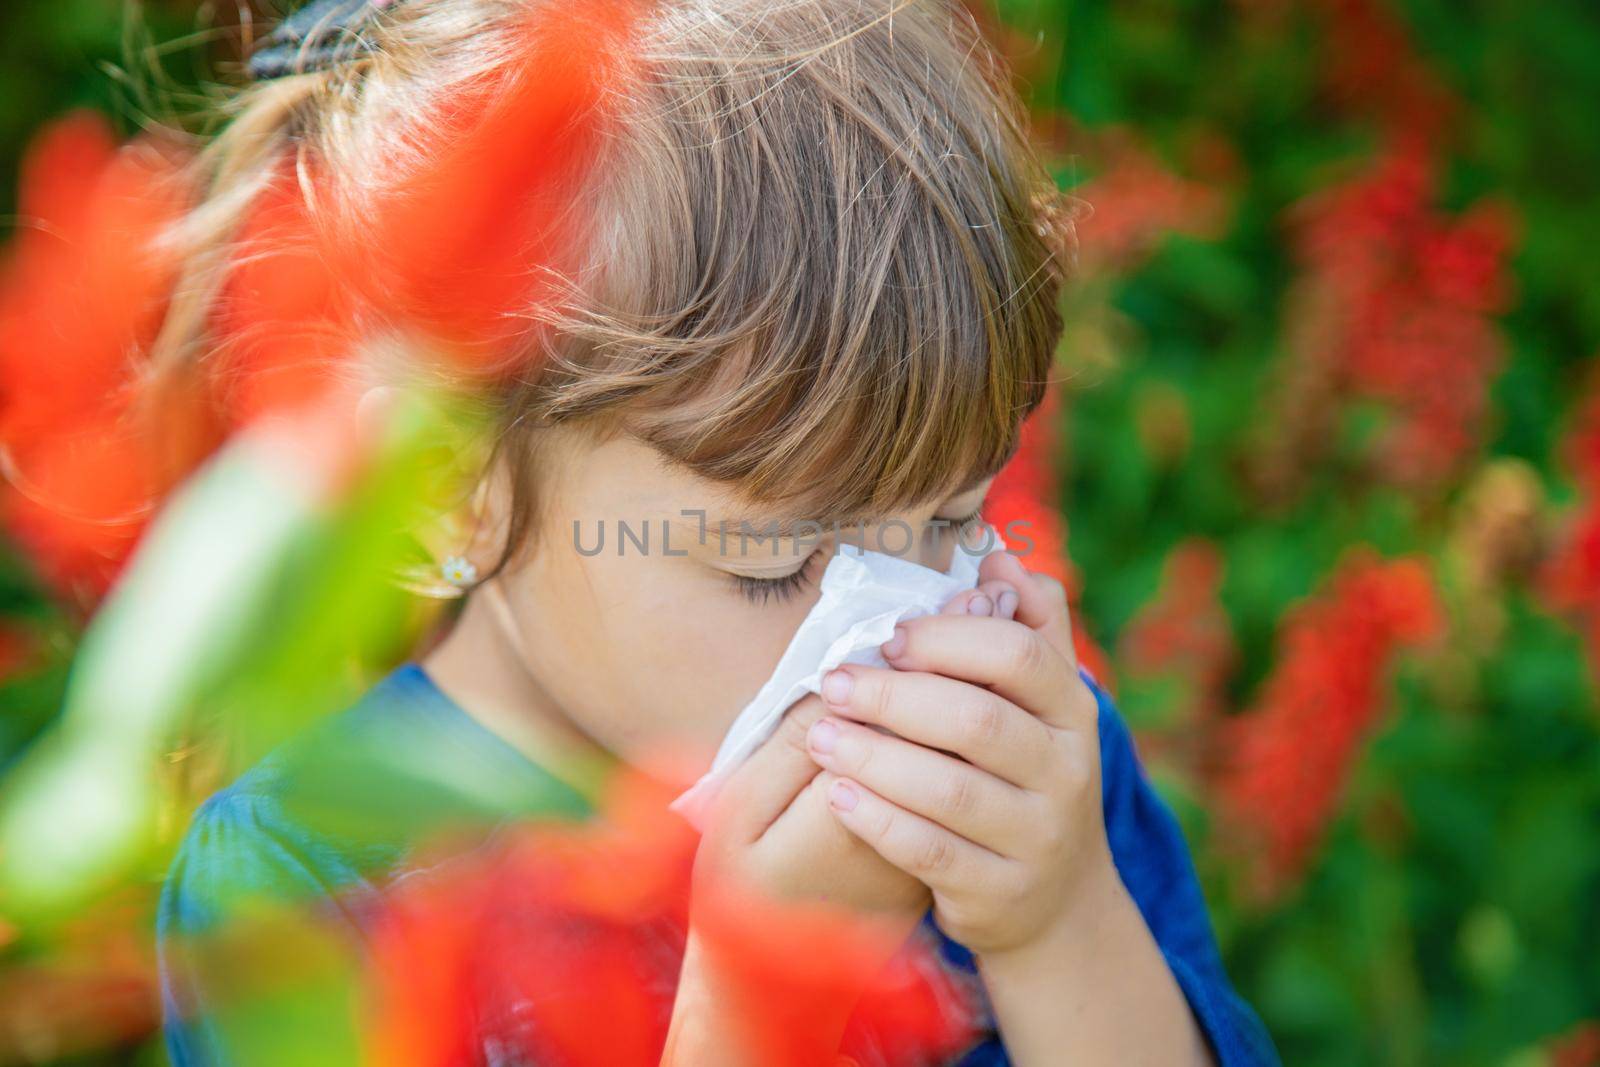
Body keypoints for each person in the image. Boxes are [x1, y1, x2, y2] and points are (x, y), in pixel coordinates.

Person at [156, 1, 1281, 1063]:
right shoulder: (302, 878)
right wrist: (751, 1007)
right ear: (452, 490)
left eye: (953, 519)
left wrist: (1056, 916)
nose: (882, 630)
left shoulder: (1015, 774)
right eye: (772, 561)